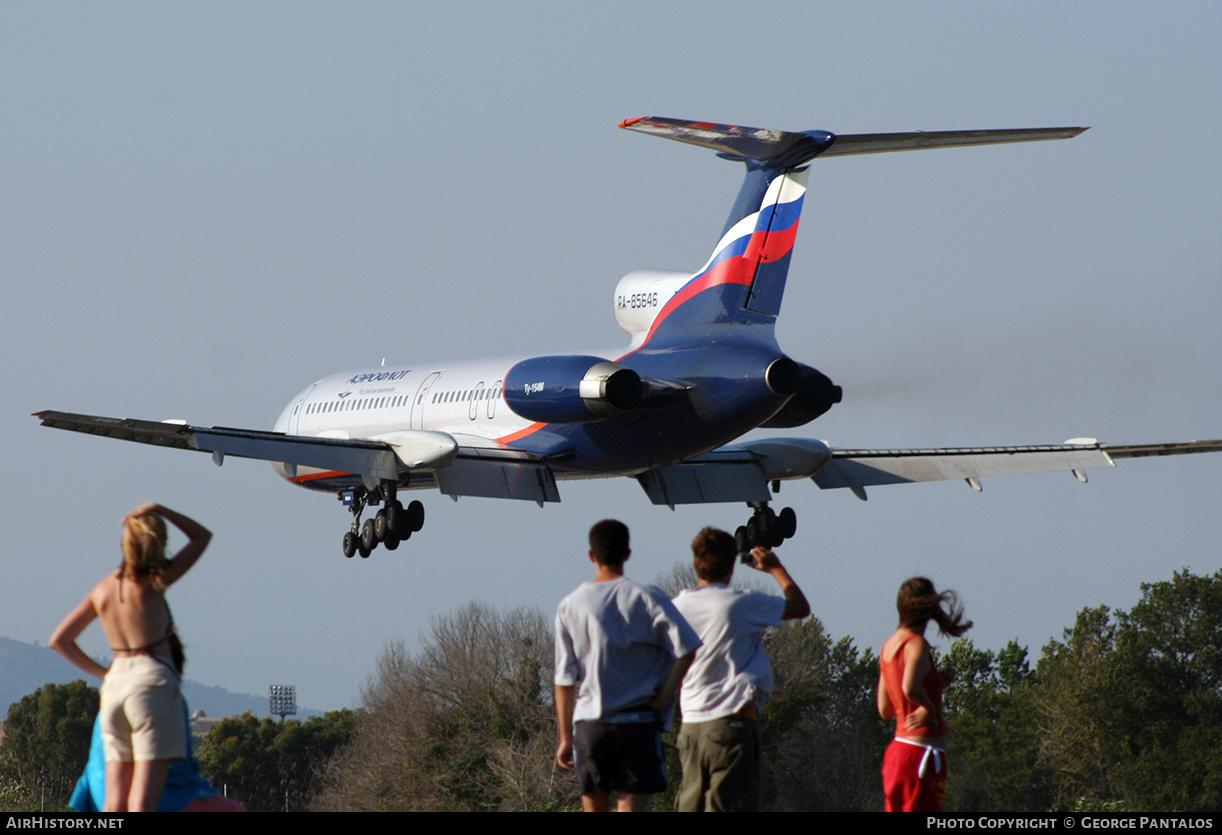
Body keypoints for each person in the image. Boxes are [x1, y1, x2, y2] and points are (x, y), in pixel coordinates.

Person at [51, 503, 211, 813]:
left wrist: (105, 674)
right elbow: (201, 537)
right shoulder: (155, 580)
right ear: (158, 543)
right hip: (152, 685)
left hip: (114, 689)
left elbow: (60, 640)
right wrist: (160, 509)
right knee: (142, 803)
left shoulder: (105, 588)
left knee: (113, 803)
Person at [554, 519, 702, 812]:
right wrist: (661, 699)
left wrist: (564, 738)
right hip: (638, 725)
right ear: (628, 554)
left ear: (591, 556)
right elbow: (687, 648)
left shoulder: (570, 605)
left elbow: (564, 679)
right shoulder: (647, 596)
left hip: (591, 725)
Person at [670, 529, 810, 812]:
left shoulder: (676, 607)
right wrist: (776, 569)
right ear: (733, 565)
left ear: (696, 564)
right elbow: (799, 607)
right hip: (731, 725)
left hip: (691, 726)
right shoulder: (742, 603)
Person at [876, 576, 972, 813]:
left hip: (897, 755)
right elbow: (910, 688)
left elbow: (885, 708)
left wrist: (939, 683)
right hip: (921, 756)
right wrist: (928, 708)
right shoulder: (917, 644)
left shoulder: (888, 646)